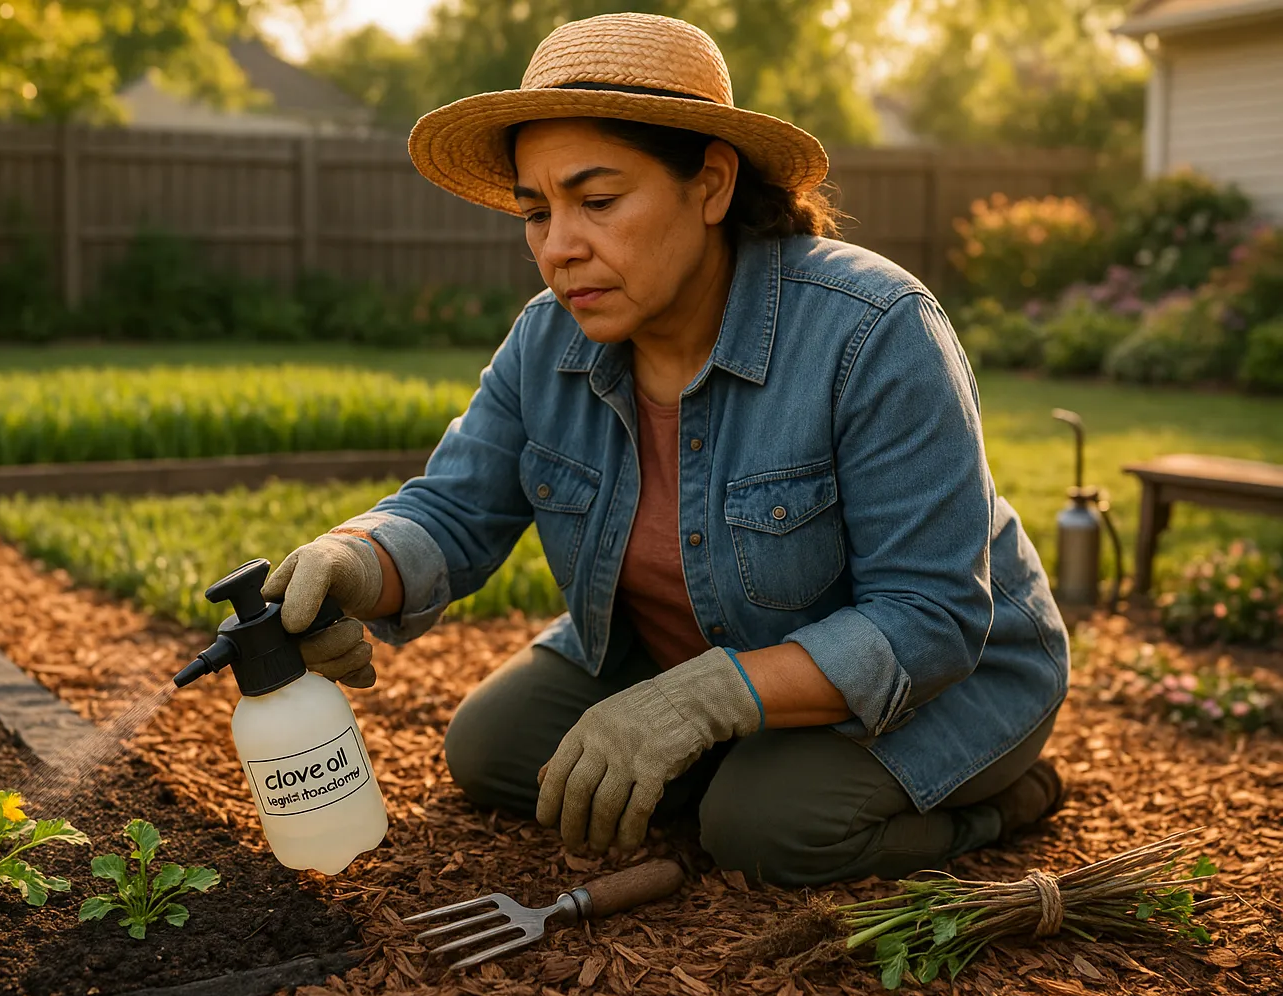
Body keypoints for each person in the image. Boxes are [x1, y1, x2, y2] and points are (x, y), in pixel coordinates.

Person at [260, 11, 1070, 886]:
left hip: (950, 677)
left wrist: (705, 700)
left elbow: (931, 617)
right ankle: (724, 762)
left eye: (597, 201)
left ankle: (1003, 806)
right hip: (680, 651)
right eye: (538, 213)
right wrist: (349, 560)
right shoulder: (549, 341)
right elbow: (455, 509)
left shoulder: (872, 330)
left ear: (712, 184)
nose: (560, 248)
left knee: (765, 831)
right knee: (493, 751)